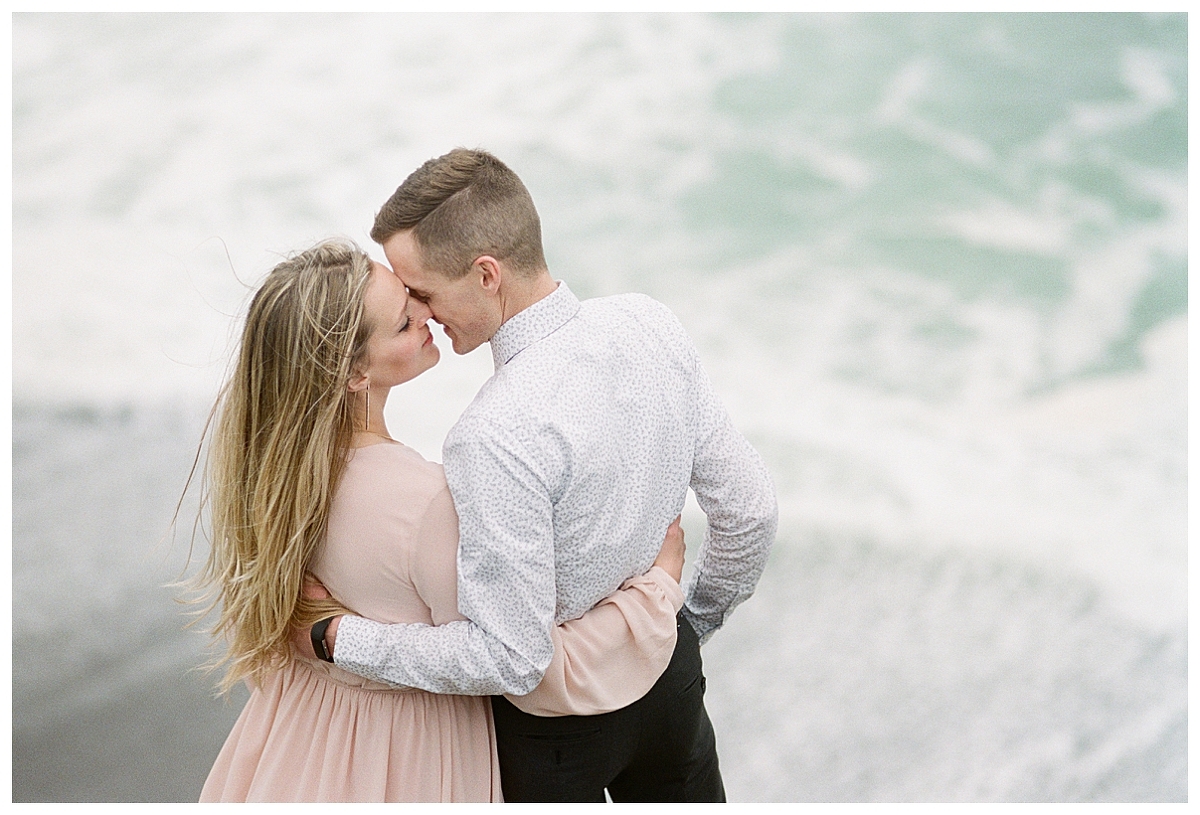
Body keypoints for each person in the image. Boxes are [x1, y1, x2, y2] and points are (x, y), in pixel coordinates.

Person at [301, 149, 778, 802]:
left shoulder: (491, 435)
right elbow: (751, 512)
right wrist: (684, 622)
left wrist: (339, 637)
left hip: (556, 737)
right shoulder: (649, 322)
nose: (423, 313)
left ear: (487, 274)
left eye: (425, 291)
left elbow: (511, 657)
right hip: (670, 681)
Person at [193, 239, 688, 802]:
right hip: (406, 762)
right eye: (405, 322)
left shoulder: (275, 480)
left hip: (299, 745)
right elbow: (522, 667)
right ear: (354, 373)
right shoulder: (427, 505)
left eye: (413, 295)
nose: (427, 314)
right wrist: (657, 590)